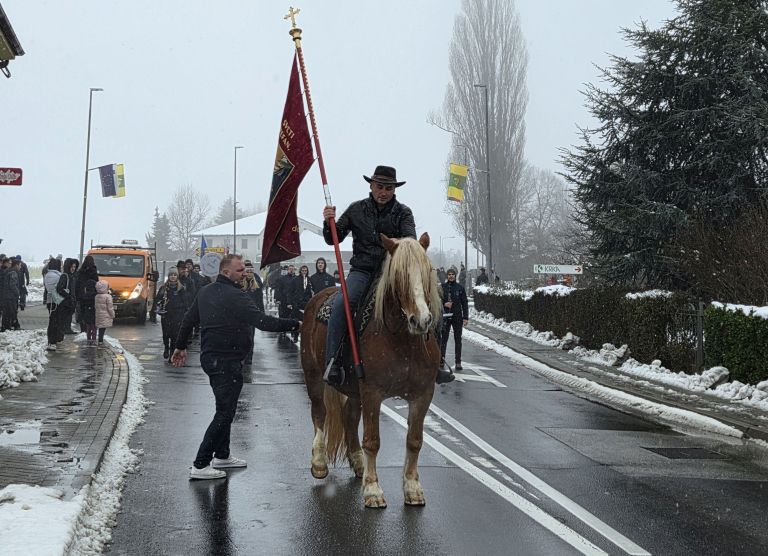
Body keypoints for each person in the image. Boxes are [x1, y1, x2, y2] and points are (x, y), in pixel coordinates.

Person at [171, 254, 301, 480]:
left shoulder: (206, 292)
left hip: (214, 359)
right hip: (225, 361)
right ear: (225, 272)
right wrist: (296, 324)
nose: (244, 273)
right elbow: (263, 322)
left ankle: (222, 455)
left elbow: (189, 320)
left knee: (226, 407)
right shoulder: (236, 296)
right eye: (240, 270)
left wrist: (180, 347)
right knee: (225, 411)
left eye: (244, 269)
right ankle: (200, 464)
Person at [322, 164, 454, 385]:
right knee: (342, 305)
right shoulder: (355, 210)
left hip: (393, 273)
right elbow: (332, 238)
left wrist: (395, 247)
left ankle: (437, 361)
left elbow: (410, 244)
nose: (383, 192)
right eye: (380, 186)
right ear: (371, 186)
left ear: (395, 190)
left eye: (389, 188)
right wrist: (329, 222)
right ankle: (333, 362)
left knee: (433, 302)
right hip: (362, 271)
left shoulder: (404, 213)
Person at [154, 267, 190, 360]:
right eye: (171, 275)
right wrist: (160, 304)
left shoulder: (181, 289)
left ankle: (171, 353)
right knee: (166, 334)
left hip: (177, 315)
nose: (173, 277)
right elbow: (157, 299)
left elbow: (186, 302)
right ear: (169, 276)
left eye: (174, 275)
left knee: (174, 335)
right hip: (166, 314)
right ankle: (166, 348)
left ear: (177, 276)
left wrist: (185, 312)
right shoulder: (164, 288)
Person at [439, 267, 469, 374]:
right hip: (446, 316)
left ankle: (458, 362)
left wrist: (465, 317)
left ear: (455, 276)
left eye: (452, 274)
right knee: (444, 339)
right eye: (449, 274)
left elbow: (464, 303)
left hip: (457, 316)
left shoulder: (460, 288)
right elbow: (437, 301)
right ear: (447, 276)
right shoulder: (442, 288)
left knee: (458, 339)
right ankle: (441, 360)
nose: (451, 276)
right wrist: (444, 304)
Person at [240, 260, 264, 365]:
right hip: (241, 315)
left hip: (252, 314)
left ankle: (249, 357)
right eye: (247, 271)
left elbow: (260, 300)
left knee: (250, 336)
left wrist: (261, 314)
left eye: (251, 272)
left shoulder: (256, 285)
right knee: (241, 336)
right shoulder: (240, 285)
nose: (249, 274)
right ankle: (242, 355)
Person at [43, 258, 65, 351]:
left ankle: (52, 341)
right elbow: (60, 288)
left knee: (52, 320)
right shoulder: (58, 276)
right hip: (57, 301)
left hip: (50, 301)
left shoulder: (47, 275)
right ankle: (53, 341)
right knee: (56, 321)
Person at [76, 256, 98, 332]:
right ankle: (90, 329)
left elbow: (77, 283)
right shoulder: (93, 271)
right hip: (91, 296)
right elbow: (96, 283)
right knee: (90, 313)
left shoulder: (81, 271)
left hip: (81, 295)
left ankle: (83, 329)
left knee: (82, 312)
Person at [59, 258, 80, 335]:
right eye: (72, 267)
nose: (73, 269)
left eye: (74, 267)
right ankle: (64, 329)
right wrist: (68, 296)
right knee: (65, 315)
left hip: (71, 300)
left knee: (69, 315)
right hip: (66, 300)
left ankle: (67, 329)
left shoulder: (73, 276)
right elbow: (59, 288)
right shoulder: (65, 276)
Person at [0, 256, 19, 332]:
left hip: (5, 294)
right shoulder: (12, 272)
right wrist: (17, 293)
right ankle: (9, 326)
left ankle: (6, 326)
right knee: (10, 311)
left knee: (7, 311)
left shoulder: (6, 271)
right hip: (8, 295)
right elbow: (12, 285)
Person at [94, 280, 114, 346]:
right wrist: (112, 315)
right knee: (103, 328)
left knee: (100, 328)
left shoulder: (97, 296)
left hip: (99, 314)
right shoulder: (108, 296)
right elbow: (110, 307)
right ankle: (100, 341)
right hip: (106, 315)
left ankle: (100, 340)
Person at [79, 276, 98, 345]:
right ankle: (94, 339)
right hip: (94, 312)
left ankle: (89, 339)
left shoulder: (85, 295)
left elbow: (82, 305)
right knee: (94, 327)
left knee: (88, 327)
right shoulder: (96, 295)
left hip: (87, 312)